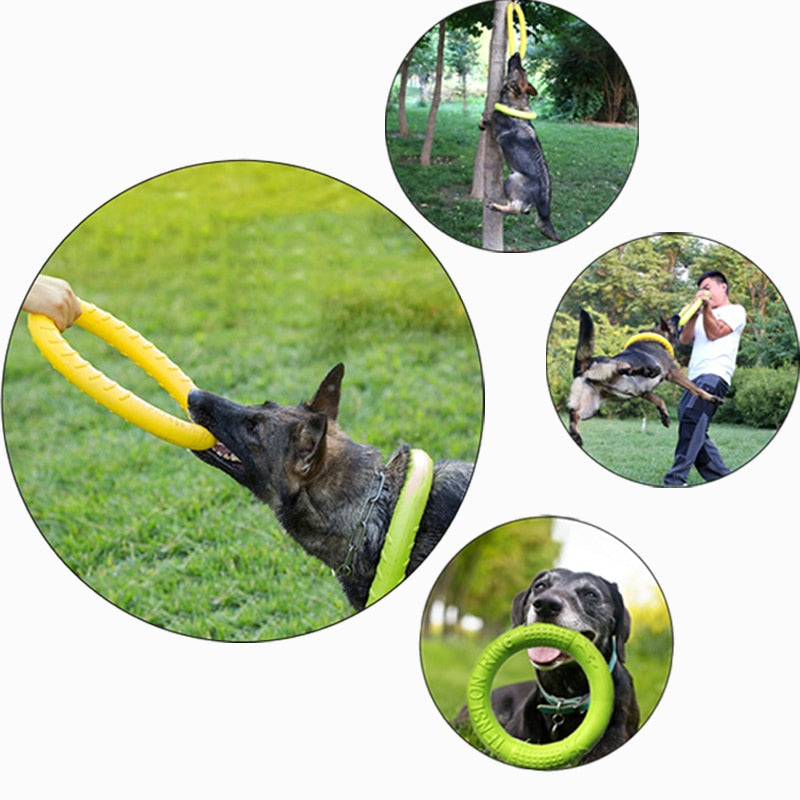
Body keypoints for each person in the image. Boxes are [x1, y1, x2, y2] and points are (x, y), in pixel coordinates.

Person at [663, 269, 746, 486]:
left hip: (715, 374)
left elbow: (715, 333)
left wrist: (706, 307)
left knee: (692, 418)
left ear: (722, 287)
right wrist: (693, 313)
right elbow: (685, 338)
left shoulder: (735, 311)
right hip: (694, 378)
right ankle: (721, 479)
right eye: (700, 289)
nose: (703, 292)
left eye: (707, 288)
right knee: (694, 426)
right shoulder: (701, 314)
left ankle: (675, 479)